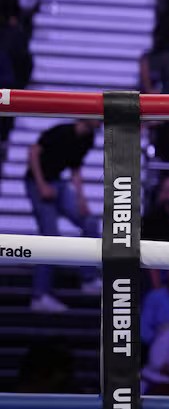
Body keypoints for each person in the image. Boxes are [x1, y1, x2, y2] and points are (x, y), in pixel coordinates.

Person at [25, 119, 101, 313]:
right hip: (38, 182)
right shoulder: (61, 131)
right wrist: (41, 185)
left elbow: (75, 169)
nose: (102, 121)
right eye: (99, 117)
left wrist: (82, 200)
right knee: (50, 237)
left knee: (90, 222)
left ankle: (88, 278)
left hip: (58, 183)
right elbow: (33, 152)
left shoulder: (88, 138)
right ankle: (39, 296)